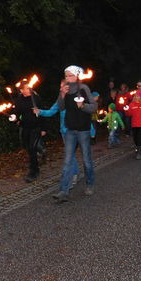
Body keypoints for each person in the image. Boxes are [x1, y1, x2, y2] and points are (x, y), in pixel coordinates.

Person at [52, 65, 97, 203]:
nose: (68, 78)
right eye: (66, 76)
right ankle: (63, 191)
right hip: (70, 130)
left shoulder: (83, 89)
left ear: (77, 76)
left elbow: (94, 108)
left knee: (86, 160)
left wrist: (83, 106)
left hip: (83, 130)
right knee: (67, 161)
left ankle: (90, 184)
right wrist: (62, 95)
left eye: (70, 75)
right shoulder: (65, 89)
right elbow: (60, 107)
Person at [36, 79, 80, 187]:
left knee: (69, 154)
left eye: (62, 86)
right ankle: (75, 173)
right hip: (64, 132)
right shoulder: (60, 100)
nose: (60, 88)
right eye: (60, 86)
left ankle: (71, 176)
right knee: (71, 154)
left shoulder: (75, 99)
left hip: (73, 131)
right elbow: (51, 112)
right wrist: (39, 111)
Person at [11, 81, 47, 182]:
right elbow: (17, 113)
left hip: (36, 127)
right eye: (25, 88)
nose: (27, 90)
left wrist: (44, 128)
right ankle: (41, 151)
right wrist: (15, 118)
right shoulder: (18, 100)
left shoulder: (36, 98)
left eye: (28, 88)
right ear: (21, 90)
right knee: (28, 147)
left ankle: (34, 171)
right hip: (25, 127)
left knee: (32, 148)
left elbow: (43, 112)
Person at [125, 89, 141, 160]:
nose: (136, 97)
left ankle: (139, 153)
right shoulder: (131, 104)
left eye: (138, 96)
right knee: (135, 138)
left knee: (139, 137)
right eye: (135, 96)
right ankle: (138, 147)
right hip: (134, 124)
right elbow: (129, 114)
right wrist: (126, 110)